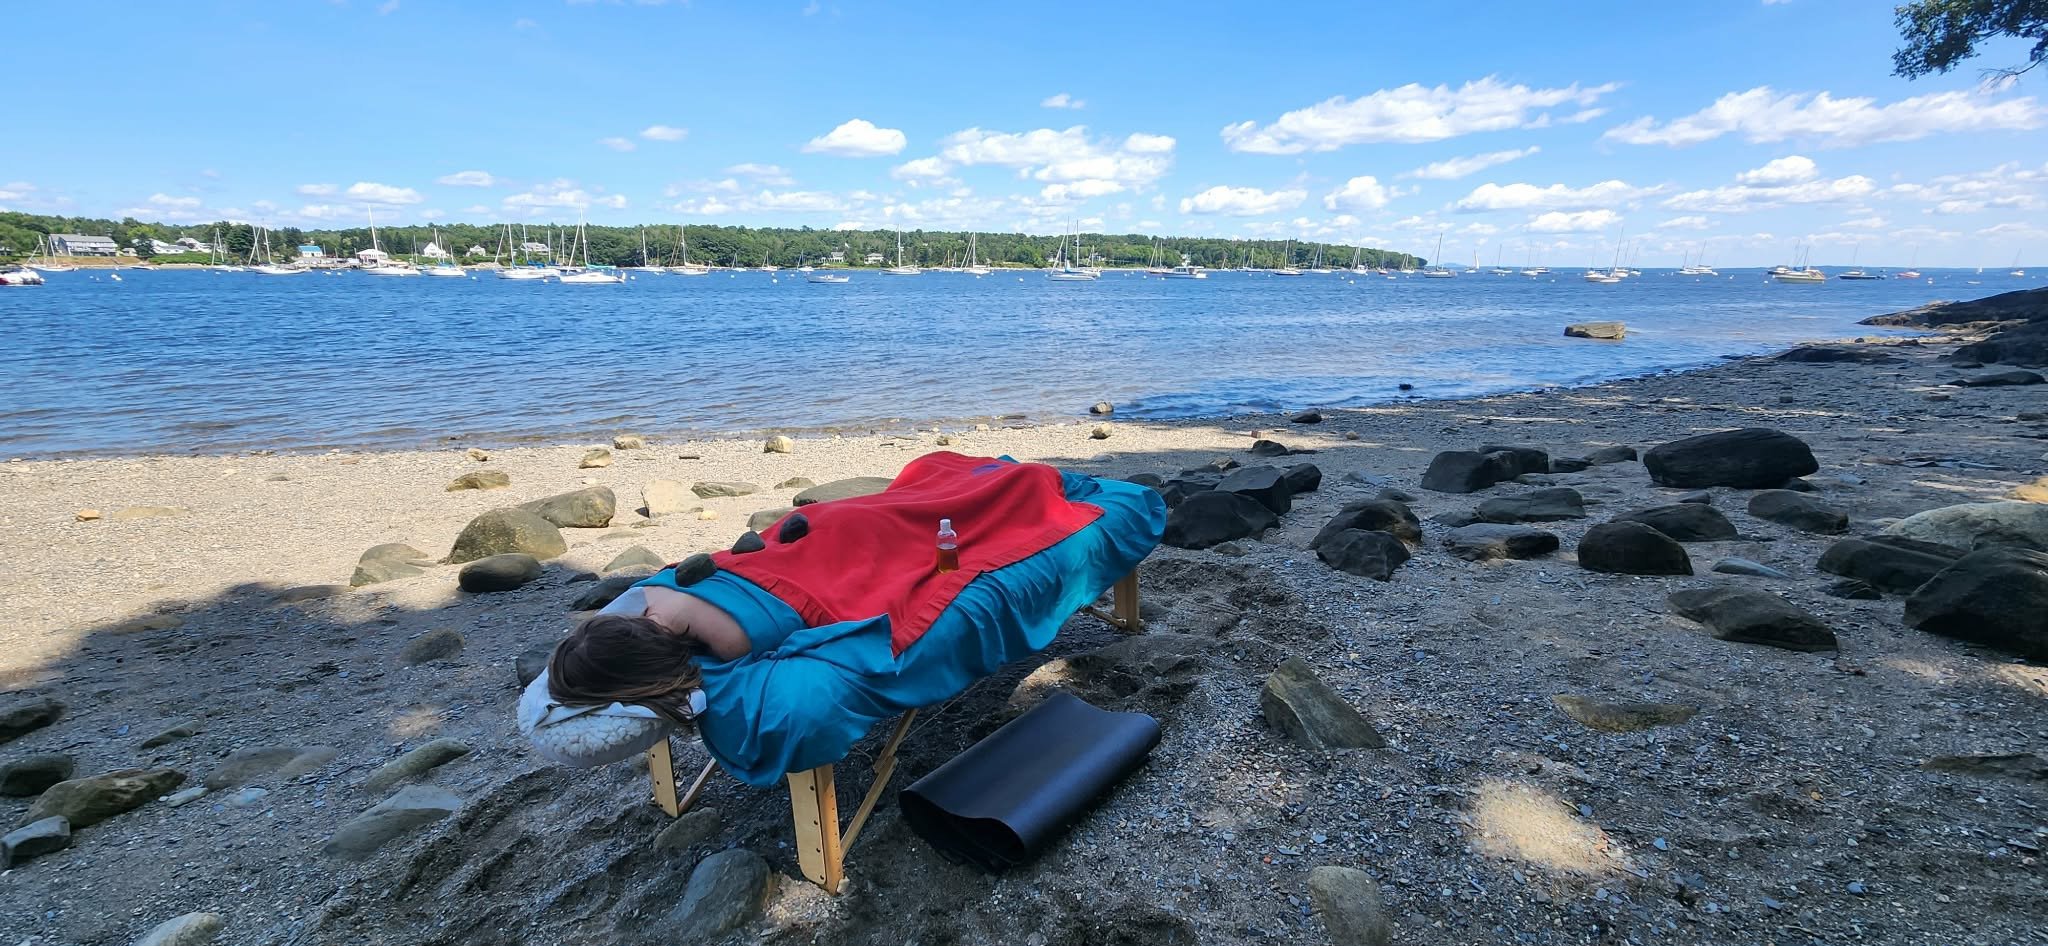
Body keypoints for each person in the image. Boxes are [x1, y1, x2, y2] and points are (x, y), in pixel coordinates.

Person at [531, 452, 1165, 787]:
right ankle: (1018, 484)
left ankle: (1027, 486)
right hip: (775, 566)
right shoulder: (652, 602)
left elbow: (785, 636)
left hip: (791, 576)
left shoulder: (716, 636)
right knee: (899, 510)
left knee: (903, 523)